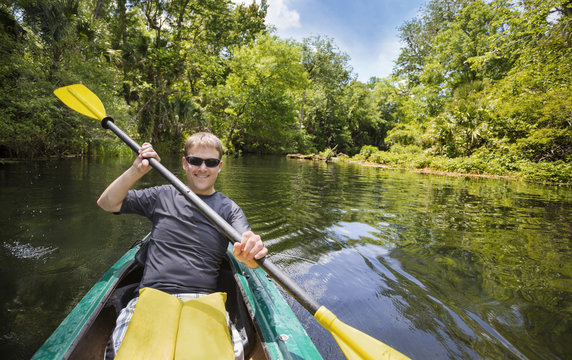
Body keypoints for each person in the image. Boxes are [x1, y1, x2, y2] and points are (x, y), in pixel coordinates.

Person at [97, 132, 268, 359]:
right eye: (195, 161)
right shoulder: (162, 195)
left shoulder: (229, 209)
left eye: (211, 162)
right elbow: (107, 203)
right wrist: (136, 170)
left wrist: (251, 253)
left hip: (204, 299)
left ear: (220, 167)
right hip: (153, 294)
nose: (202, 168)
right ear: (185, 164)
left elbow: (247, 245)